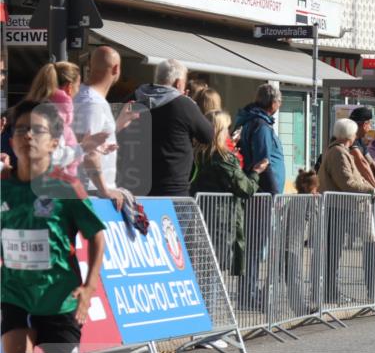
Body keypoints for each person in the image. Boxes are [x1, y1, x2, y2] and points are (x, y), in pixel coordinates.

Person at [1, 101, 107, 353]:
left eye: (37, 130)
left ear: (54, 141)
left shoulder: (65, 187)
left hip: (60, 297)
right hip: (15, 293)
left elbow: (97, 235)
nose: (28, 135)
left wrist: (89, 285)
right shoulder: (2, 185)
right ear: (10, 138)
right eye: (20, 130)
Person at [318, 118, 375, 303]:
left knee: (335, 252)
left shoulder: (340, 151)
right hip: (338, 207)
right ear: (350, 135)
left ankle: (331, 292)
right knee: (333, 253)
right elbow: (347, 182)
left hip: (340, 206)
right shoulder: (338, 153)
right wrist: (372, 190)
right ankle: (330, 293)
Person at [191, 110, 269, 279]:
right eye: (226, 128)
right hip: (220, 219)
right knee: (213, 271)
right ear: (220, 131)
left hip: (201, 214)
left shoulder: (198, 152)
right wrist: (256, 172)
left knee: (205, 268)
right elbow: (245, 188)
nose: (228, 132)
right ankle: (209, 305)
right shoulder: (223, 157)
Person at [132, 59, 213, 196]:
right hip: (173, 188)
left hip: (137, 184)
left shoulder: (134, 98)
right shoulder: (184, 105)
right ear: (178, 83)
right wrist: (191, 105)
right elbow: (208, 135)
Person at [73, 46, 138, 209]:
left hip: (89, 192)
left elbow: (85, 141)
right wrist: (105, 190)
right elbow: (89, 151)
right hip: (91, 195)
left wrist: (117, 125)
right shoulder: (92, 103)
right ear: (116, 69)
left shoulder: (85, 97)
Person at [234, 83, 286, 195]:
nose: (280, 104)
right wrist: (273, 193)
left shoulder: (252, 121)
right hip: (264, 193)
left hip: (260, 190)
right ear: (272, 104)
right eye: (279, 101)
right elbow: (263, 163)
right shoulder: (261, 125)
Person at [346, 106, 375, 189]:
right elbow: (363, 165)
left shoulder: (359, 140)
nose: (370, 128)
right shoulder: (349, 140)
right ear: (365, 124)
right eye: (370, 124)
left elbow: (372, 164)